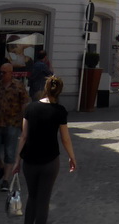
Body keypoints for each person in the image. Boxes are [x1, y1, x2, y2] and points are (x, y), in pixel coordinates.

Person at [10, 75, 76, 224]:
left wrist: (17, 161)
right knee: (43, 200)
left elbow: (24, 136)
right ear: (59, 91)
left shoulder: (30, 108)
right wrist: (72, 157)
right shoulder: (60, 110)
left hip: (30, 160)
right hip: (50, 161)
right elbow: (65, 138)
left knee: (32, 197)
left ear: (45, 89)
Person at [0, 63, 29, 190]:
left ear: (11, 73)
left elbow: (24, 104)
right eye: (0, 72)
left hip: (12, 123)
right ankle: (1, 167)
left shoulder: (18, 86)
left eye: (4, 72)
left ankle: (5, 180)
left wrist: (24, 123)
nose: (1, 74)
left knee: (9, 152)